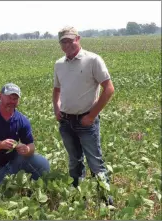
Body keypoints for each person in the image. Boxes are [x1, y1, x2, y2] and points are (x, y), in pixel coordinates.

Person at [52, 26, 115, 204]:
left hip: (86, 120)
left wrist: (92, 115)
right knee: (74, 161)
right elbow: (56, 90)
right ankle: (78, 198)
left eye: (70, 40)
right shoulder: (59, 64)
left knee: (95, 163)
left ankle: (106, 202)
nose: (67, 44)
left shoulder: (93, 60)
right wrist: (56, 109)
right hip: (65, 120)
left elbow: (109, 89)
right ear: (60, 44)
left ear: (78, 39)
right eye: (63, 41)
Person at [0, 83, 50, 188]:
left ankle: (35, 188)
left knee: (42, 164)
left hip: (14, 161)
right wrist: (1, 144)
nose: (12, 101)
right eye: (9, 98)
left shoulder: (22, 120)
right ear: (0, 96)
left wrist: (27, 149)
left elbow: (31, 145)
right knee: (2, 193)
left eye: (15, 98)